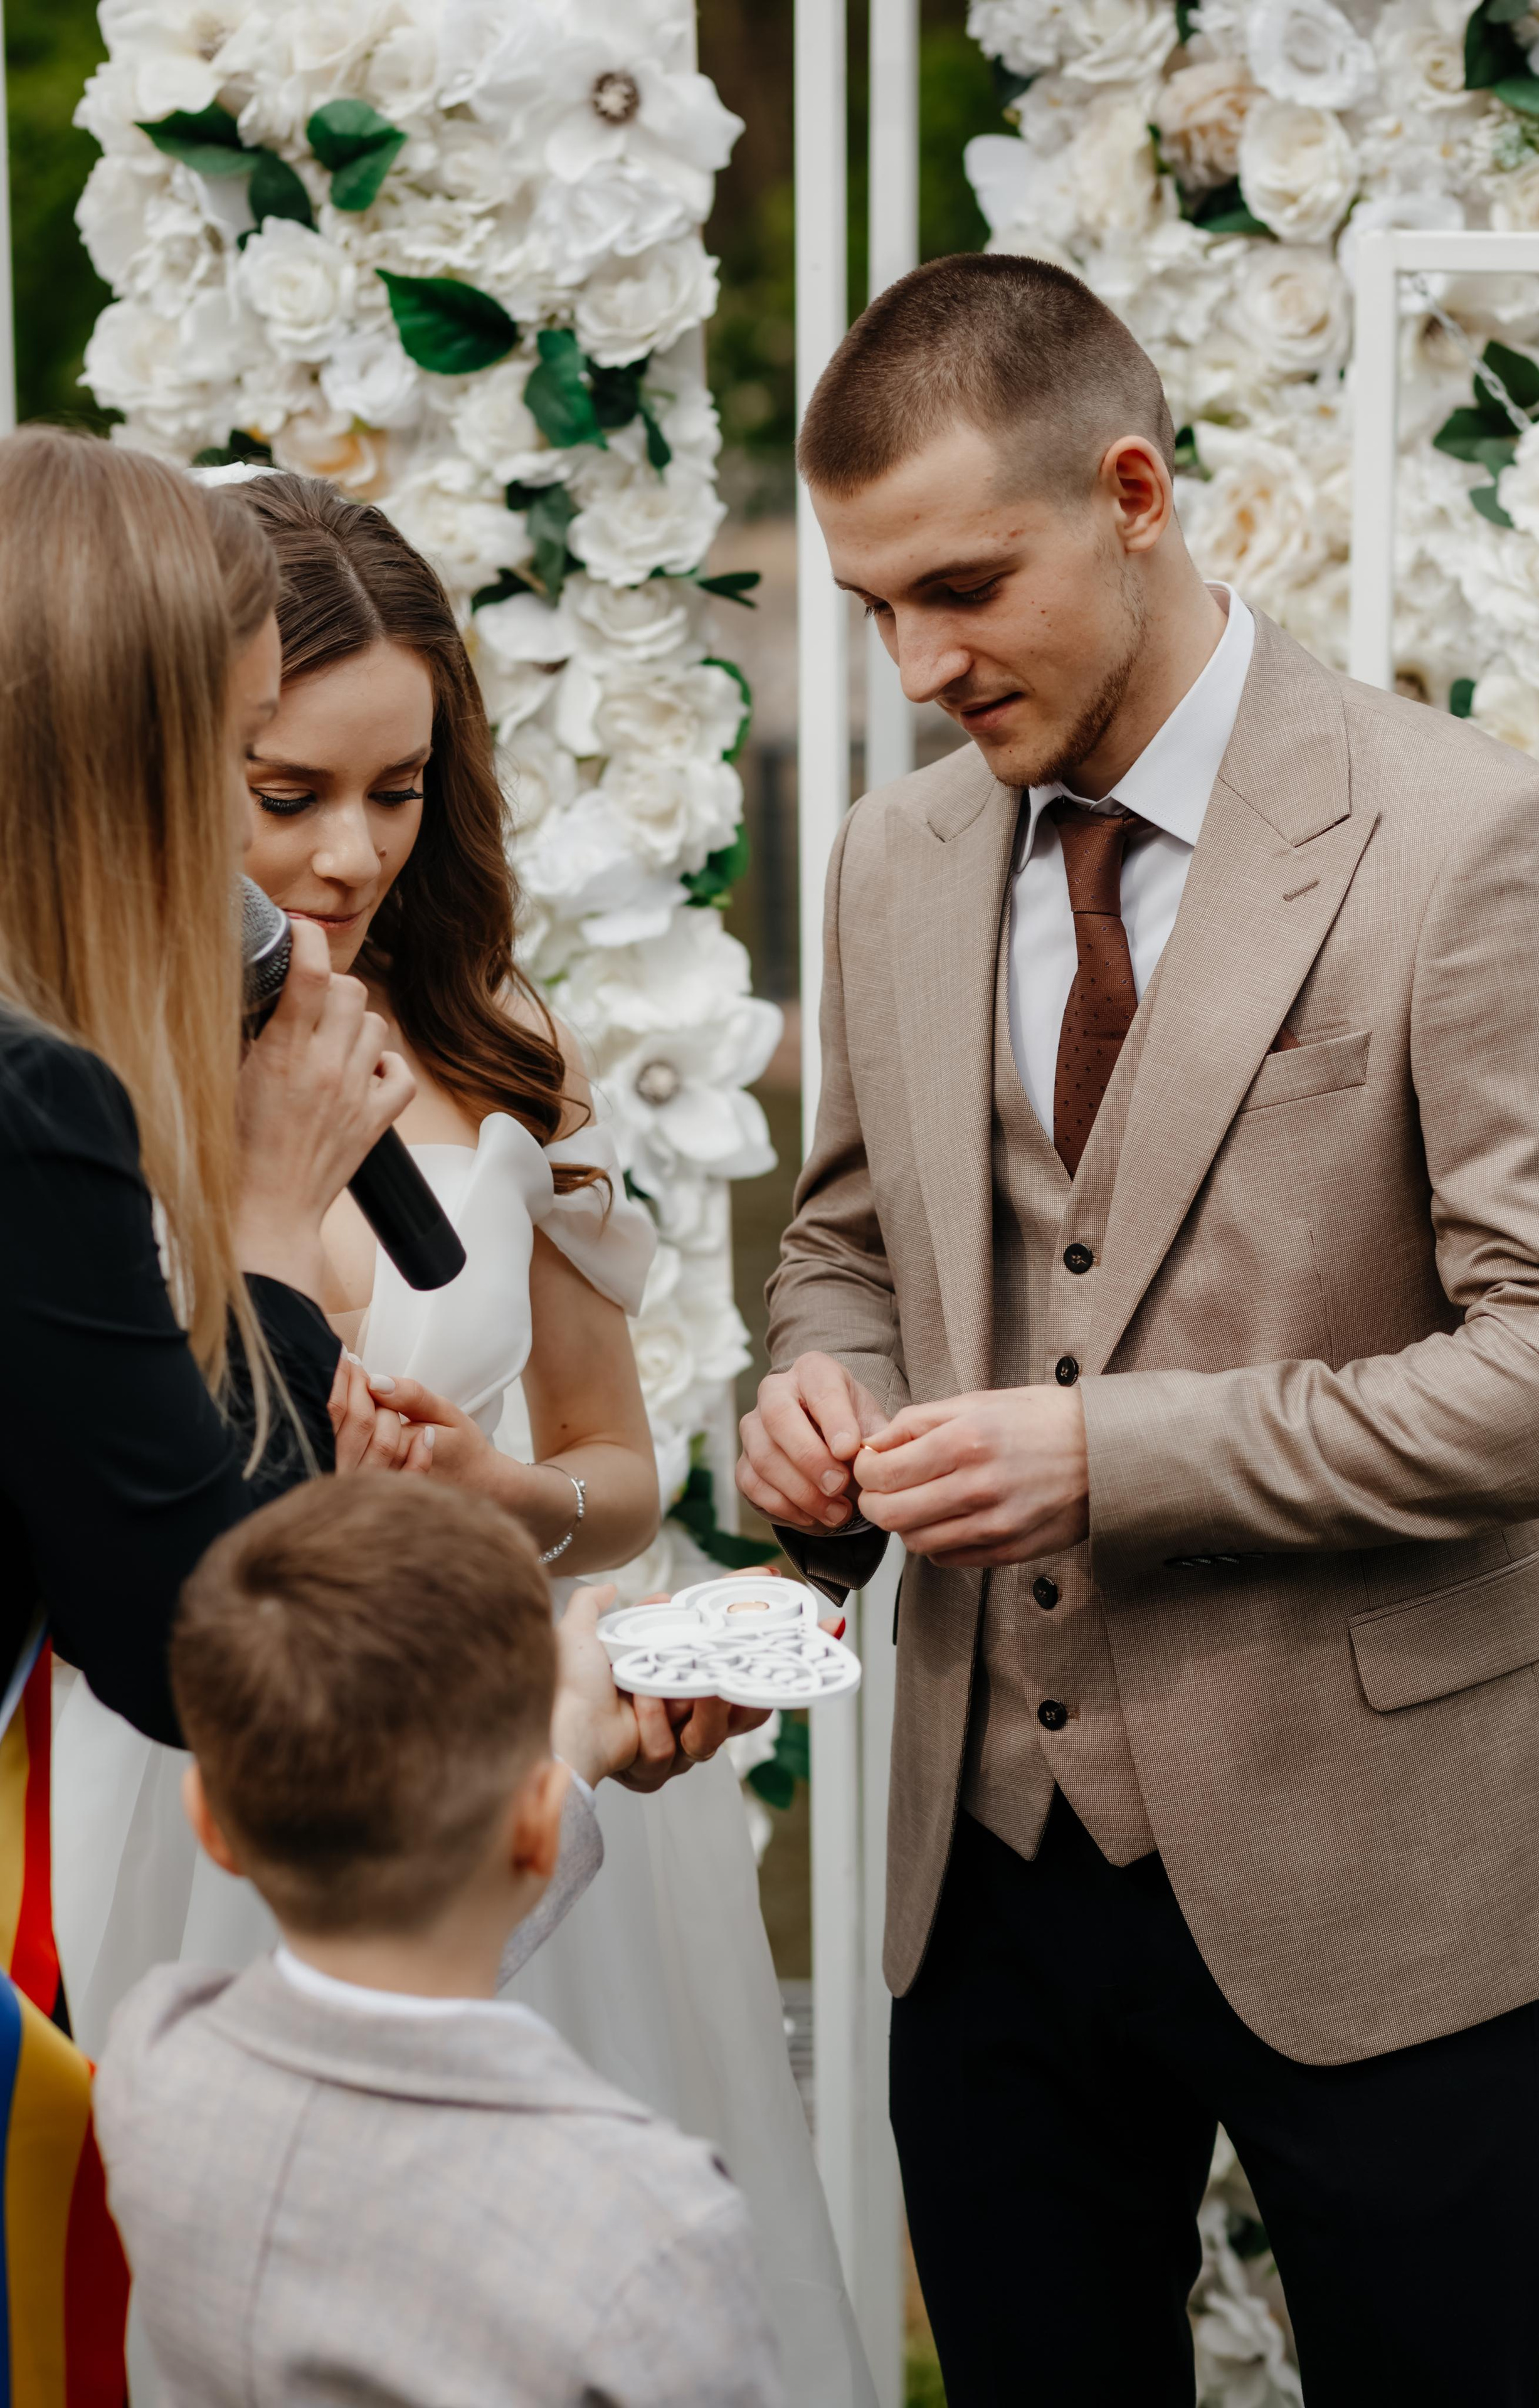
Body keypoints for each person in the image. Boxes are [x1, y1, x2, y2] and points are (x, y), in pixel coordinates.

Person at [739, 251, 1539, 2408]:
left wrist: (1121, 1456)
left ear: (1133, 489)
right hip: (986, 1870)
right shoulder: (891, 863)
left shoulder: (1474, 841)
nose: (921, 662)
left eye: (962, 586)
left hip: (1373, 1857)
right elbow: (849, 1235)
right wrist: (808, 1387)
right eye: (874, 611)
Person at [55, 469, 874, 2407]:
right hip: (175, 1774)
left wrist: (518, 1500)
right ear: (175, 755)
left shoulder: (499, 1035)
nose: (349, 856)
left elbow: (610, 1462)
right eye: (288, 796)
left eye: (400, 790)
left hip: (496, 1772)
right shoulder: (72, 1067)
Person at [0, 425, 413, 2397]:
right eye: (241, 753)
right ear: (122, 753)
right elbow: (182, 1629)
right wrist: (265, 1222)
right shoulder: (26, 1105)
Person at [95, 1474, 783, 2408]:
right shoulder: (651, 2223)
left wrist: (563, 1768)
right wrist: (559, 1769)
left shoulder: (149, 2055)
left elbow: (373, 2009)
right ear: (537, 1823)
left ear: (209, 1823)